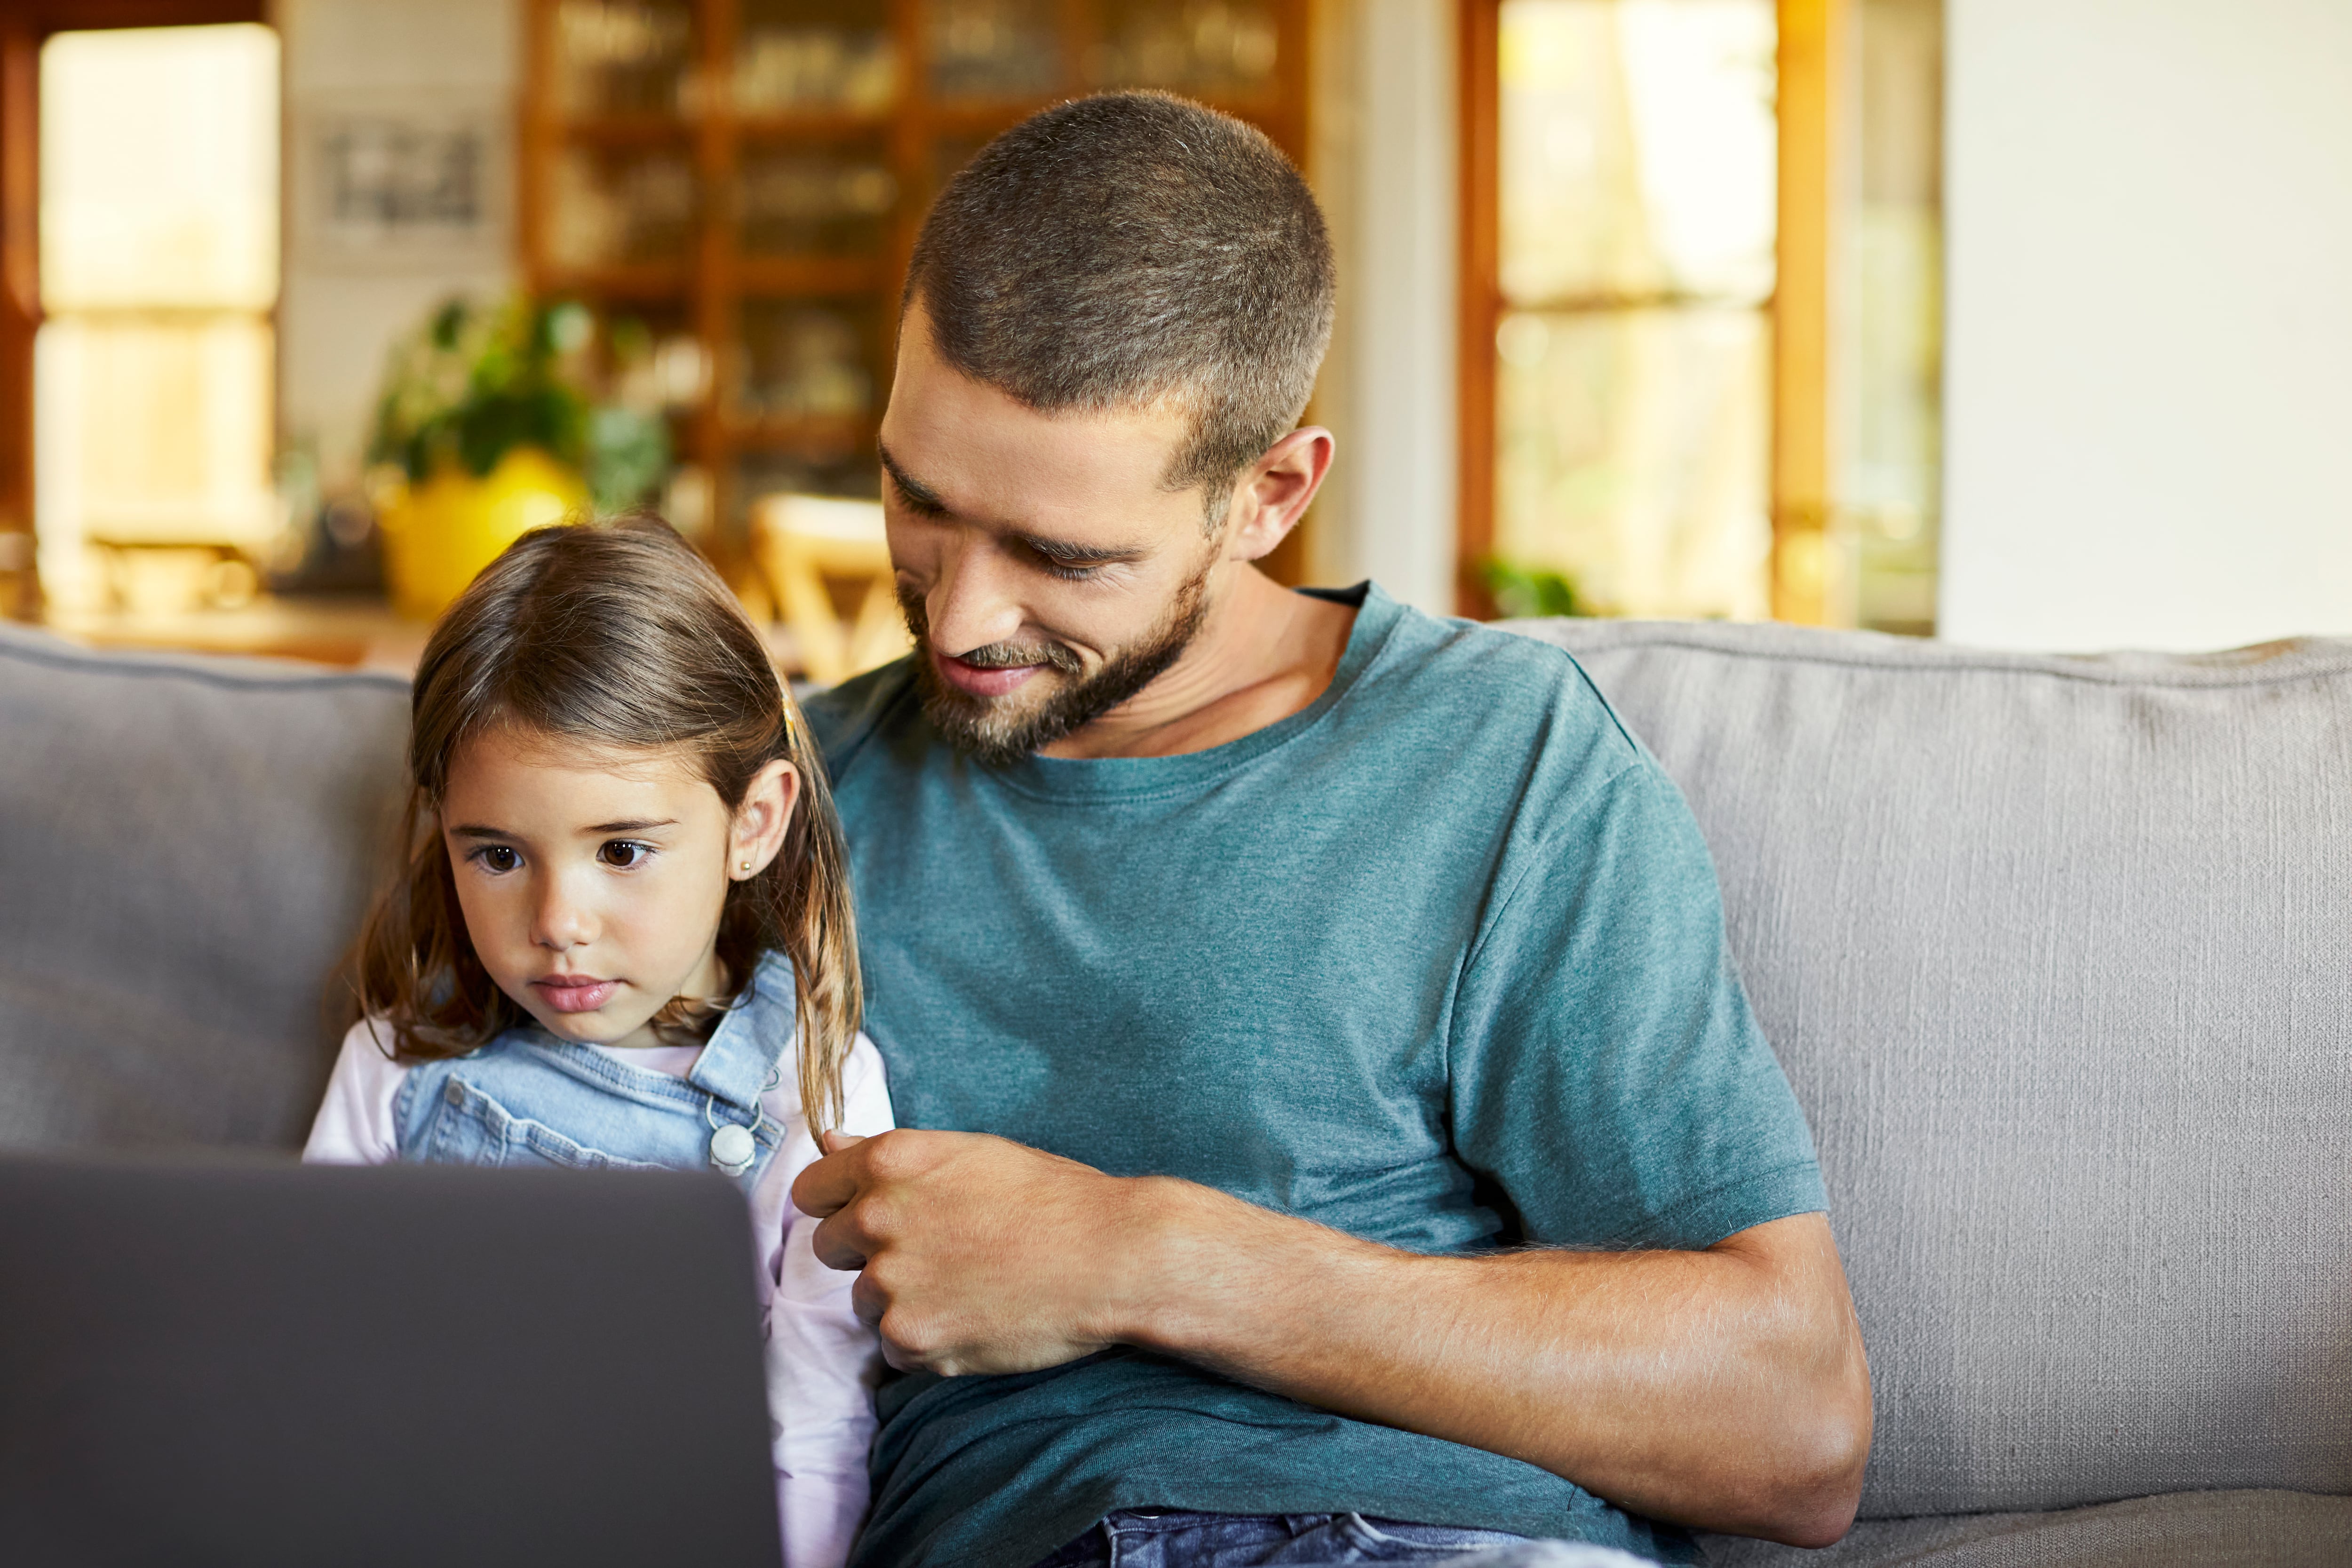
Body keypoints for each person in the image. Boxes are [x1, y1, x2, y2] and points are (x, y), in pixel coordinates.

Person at [790, 91, 1874, 1568]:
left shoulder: (1503, 757)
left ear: (1270, 495)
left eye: (1064, 556)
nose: (964, 613)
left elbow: (1796, 1426)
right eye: (920, 502)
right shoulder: (768, 805)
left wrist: (1147, 1255)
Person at [305, 517, 893, 1568]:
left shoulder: (812, 1087)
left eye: (622, 849)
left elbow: (813, 1427)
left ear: (753, 823)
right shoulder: (398, 1067)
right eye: (496, 854)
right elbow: (306, 1361)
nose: (558, 918)